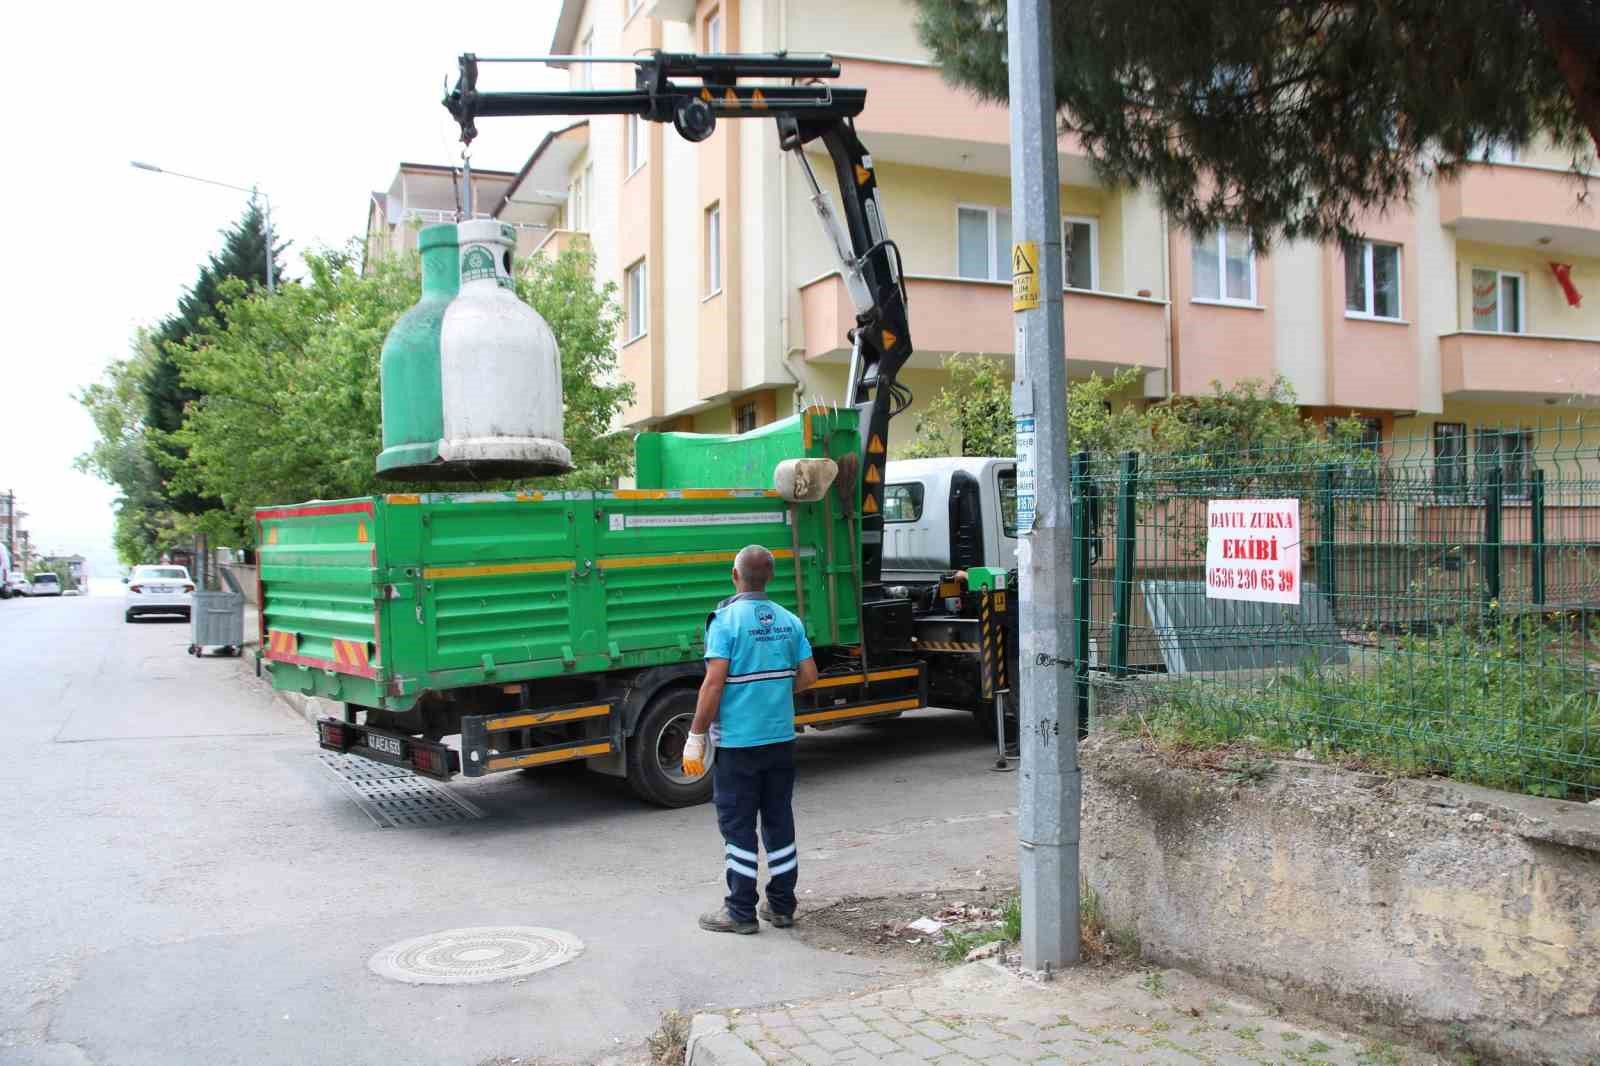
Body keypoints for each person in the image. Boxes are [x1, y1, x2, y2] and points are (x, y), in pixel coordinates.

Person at [683, 544, 818, 934]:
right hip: (779, 740)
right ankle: (782, 907)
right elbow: (809, 676)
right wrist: (773, 692)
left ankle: (740, 911)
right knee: (779, 820)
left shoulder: (725, 622)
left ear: (734, 575)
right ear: (770, 577)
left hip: (739, 746)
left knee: (738, 826)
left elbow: (713, 683)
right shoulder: (789, 621)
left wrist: (696, 735)